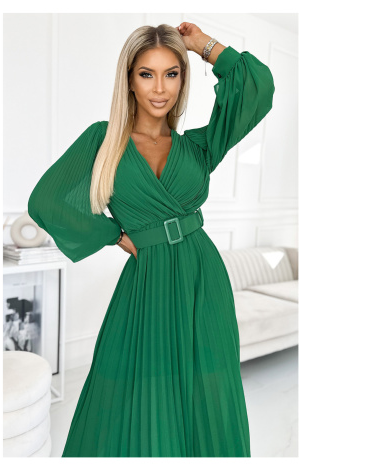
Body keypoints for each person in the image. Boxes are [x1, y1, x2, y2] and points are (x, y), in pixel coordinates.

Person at [28, 22, 275, 457]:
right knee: (132, 391)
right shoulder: (104, 140)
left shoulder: (199, 147)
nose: (160, 88)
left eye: (171, 73)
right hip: (148, 281)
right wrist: (113, 234)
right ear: (129, 80)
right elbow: (47, 200)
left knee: (209, 390)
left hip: (203, 279)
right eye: (147, 74)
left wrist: (203, 45)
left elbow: (256, 88)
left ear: (182, 79)